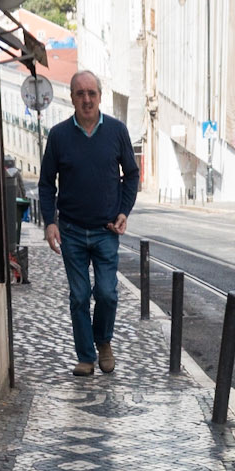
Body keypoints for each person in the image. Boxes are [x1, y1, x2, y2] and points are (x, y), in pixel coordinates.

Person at [38, 70, 139, 375]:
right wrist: (49, 222)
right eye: (80, 93)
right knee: (79, 296)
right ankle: (86, 357)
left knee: (107, 293)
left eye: (91, 93)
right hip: (70, 231)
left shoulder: (117, 131)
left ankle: (103, 341)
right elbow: (46, 184)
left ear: (100, 96)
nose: (86, 99)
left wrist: (124, 210)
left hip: (106, 230)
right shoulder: (58, 136)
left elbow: (131, 174)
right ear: (71, 98)